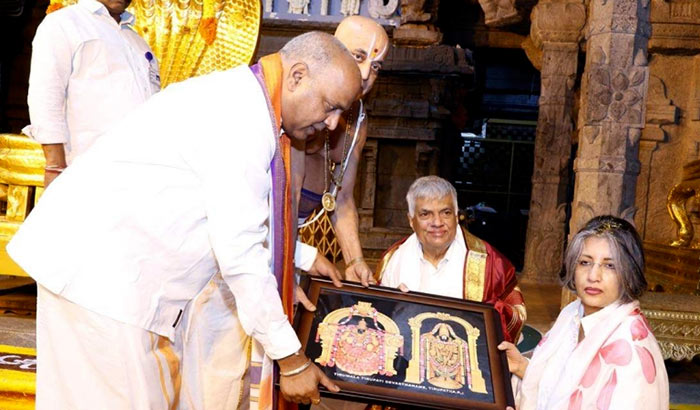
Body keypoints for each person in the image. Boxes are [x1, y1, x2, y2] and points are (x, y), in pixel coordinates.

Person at [7, 31, 362, 409]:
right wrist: (290, 360)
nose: (334, 124)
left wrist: (300, 257)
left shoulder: (244, 100)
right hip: (103, 281)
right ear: (297, 76)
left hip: (103, 277)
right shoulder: (242, 117)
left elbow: (232, 217)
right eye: (330, 106)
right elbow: (239, 251)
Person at [498, 215, 669, 410]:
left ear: (629, 274)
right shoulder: (572, 314)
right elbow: (559, 388)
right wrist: (522, 367)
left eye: (610, 265)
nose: (593, 276)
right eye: (585, 262)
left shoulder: (630, 352)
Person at [294, 15, 390, 294]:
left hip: (292, 248)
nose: (364, 75)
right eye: (357, 57)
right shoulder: (300, 101)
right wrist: (287, 266)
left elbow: (343, 197)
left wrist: (355, 260)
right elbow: (276, 206)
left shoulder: (358, 120)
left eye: (376, 67)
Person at [24, 0, 160, 187]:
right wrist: (55, 166)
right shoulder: (63, 23)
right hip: (86, 171)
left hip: (139, 171)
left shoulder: (137, 41)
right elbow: (46, 95)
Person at [377, 176, 526, 343]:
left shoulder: (490, 263)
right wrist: (395, 308)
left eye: (445, 213)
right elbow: (378, 321)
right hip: (407, 359)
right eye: (426, 214)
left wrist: (483, 314)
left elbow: (516, 315)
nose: (437, 223)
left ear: (456, 216)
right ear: (411, 221)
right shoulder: (392, 259)